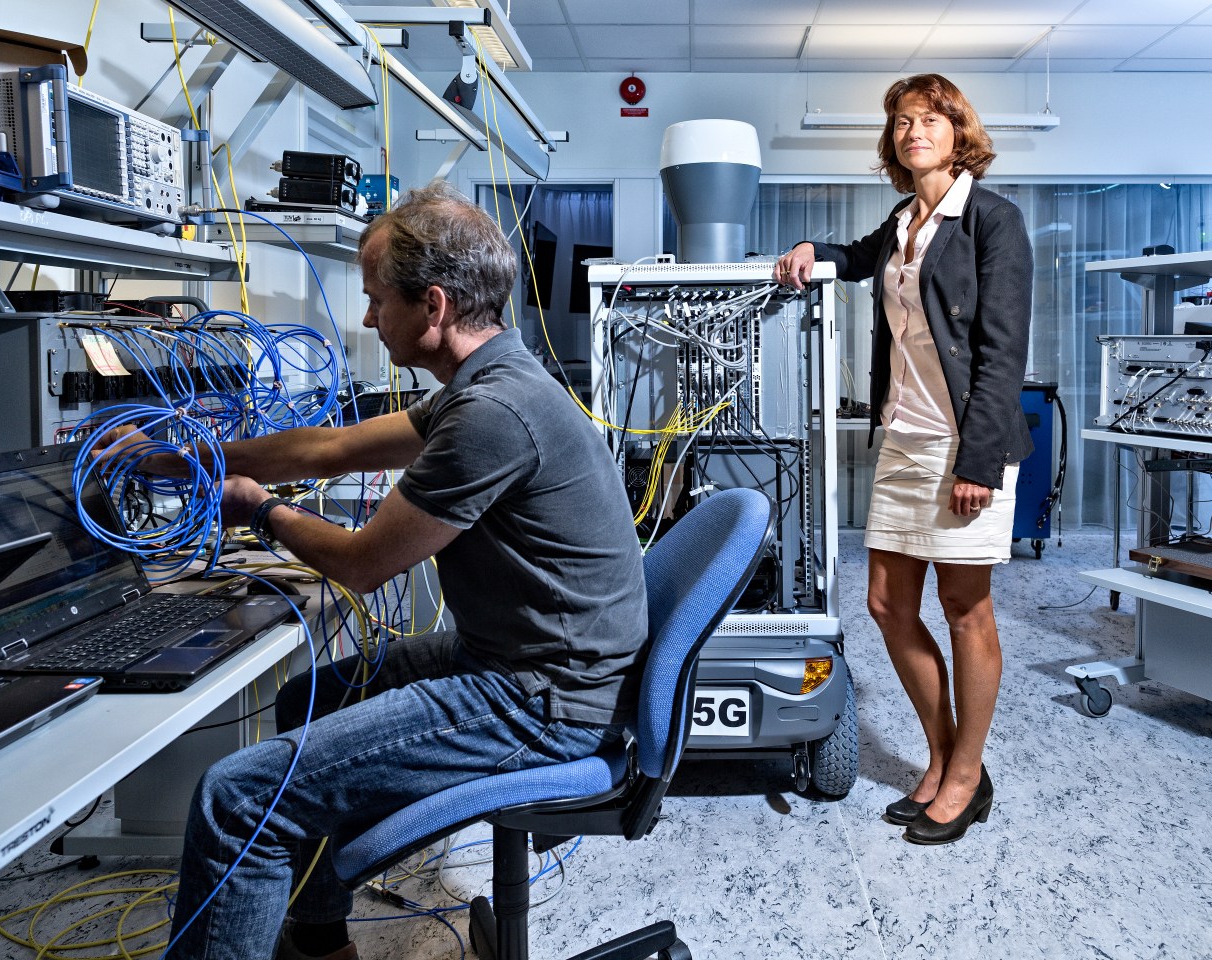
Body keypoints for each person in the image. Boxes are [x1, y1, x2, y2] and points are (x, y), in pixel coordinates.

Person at [94, 179, 647, 959]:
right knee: (301, 703)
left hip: (539, 701)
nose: (365, 318)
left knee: (239, 796)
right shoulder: (491, 381)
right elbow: (330, 448)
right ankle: (320, 942)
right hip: (528, 664)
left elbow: (361, 566)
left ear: (434, 306)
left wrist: (257, 510)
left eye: (376, 298)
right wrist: (192, 456)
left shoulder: (490, 414)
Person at [774, 74, 1032, 845]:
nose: (913, 131)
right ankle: (945, 754)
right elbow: (859, 258)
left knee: (964, 608)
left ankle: (964, 775)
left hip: (965, 446)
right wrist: (814, 250)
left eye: (929, 119)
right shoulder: (901, 221)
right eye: (902, 122)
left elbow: (1002, 352)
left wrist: (979, 464)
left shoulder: (992, 219)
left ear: (959, 132)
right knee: (887, 604)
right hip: (903, 440)